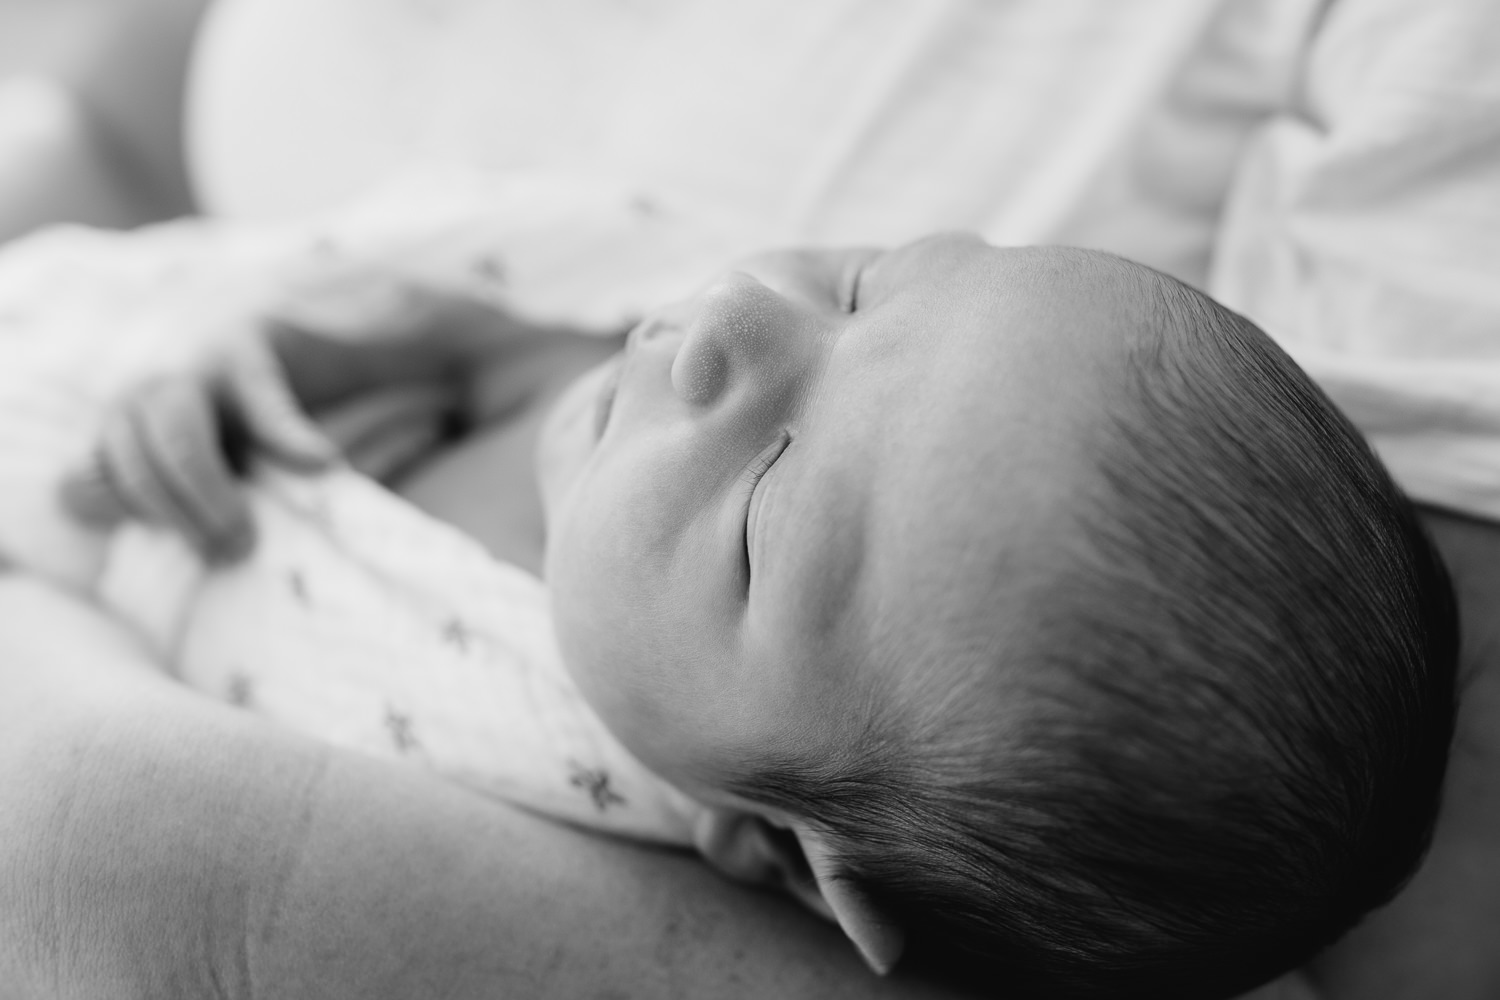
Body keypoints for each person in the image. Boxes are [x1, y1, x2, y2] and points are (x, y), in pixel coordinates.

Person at [1, 0, 1499, 997]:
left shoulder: (554, 794)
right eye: (867, 283)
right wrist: (260, 340)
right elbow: (434, 276)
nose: (729, 320)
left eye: (772, 501)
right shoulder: (639, 314)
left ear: (784, 854)